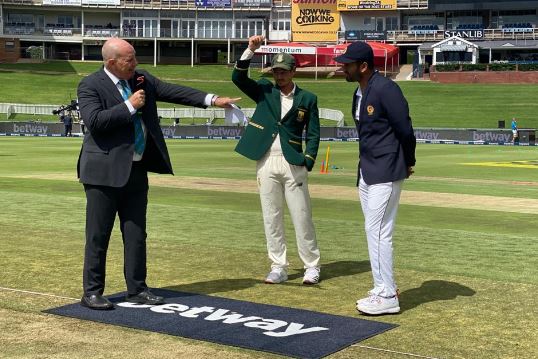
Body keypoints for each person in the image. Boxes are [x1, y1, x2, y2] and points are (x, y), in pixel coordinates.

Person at [77, 38, 238, 310]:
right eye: (130, 60)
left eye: (135, 58)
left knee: (137, 234)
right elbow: (95, 122)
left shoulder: (141, 79)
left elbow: (173, 91)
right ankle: (92, 292)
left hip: (137, 169)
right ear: (111, 63)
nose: (135, 64)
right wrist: (129, 105)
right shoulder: (90, 85)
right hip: (102, 173)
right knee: (98, 235)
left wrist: (214, 100)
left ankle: (137, 289)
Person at [334, 41, 416, 315]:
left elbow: (405, 128)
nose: (342, 68)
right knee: (374, 230)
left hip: (387, 169)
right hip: (367, 171)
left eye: (347, 64)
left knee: (378, 231)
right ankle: (381, 285)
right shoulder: (359, 93)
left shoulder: (386, 88)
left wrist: (408, 161)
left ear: (364, 66)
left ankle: (388, 295)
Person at [232, 35, 321, 285]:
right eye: (276, 70)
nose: (279, 75)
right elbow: (238, 78)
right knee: (271, 216)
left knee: (302, 215)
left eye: (283, 71)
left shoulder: (308, 99)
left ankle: (311, 266)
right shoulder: (264, 89)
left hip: (293, 161)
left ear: (293, 71)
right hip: (265, 159)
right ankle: (278, 266)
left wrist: (308, 159)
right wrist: (250, 50)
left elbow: (313, 133)